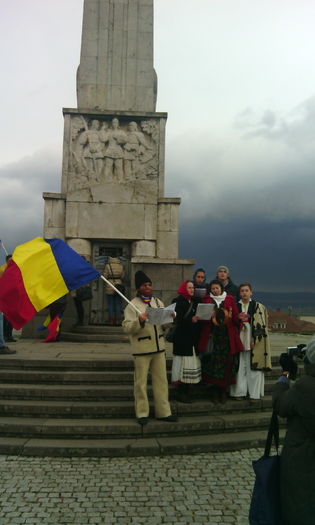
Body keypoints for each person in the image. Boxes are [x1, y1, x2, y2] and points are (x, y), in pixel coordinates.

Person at [122, 270, 177, 425]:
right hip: (141, 349)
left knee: (161, 382)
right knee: (141, 383)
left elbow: (164, 325)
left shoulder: (158, 302)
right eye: (145, 285)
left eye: (150, 284)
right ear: (139, 288)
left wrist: (170, 319)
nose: (148, 287)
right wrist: (139, 320)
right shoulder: (132, 305)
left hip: (159, 348)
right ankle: (142, 413)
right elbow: (126, 328)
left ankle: (164, 412)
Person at [272, 338, 315, 525]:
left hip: (304, 458)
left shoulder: (305, 386)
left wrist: (286, 375)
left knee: (300, 507)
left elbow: (281, 405)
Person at [197, 279, 243, 403]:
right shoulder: (206, 300)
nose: (215, 290)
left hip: (226, 338)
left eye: (217, 288)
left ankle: (223, 391)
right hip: (212, 337)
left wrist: (237, 318)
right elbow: (201, 319)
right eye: (212, 288)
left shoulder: (229, 299)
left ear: (221, 289)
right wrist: (209, 316)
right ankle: (214, 392)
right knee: (212, 363)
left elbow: (235, 318)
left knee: (226, 364)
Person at [230, 283, 271, 401]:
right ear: (239, 293)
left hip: (253, 340)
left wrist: (255, 338)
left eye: (246, 290)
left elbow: (262, 325)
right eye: (242, 291)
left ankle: (254, 393)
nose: (244, 293)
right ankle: (239, 392)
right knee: (240, 366)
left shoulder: (258, 306)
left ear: (251, 292)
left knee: (253, 368)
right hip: (239, 339)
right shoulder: (235, 306)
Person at [171, 280, 201, 403]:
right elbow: (177, 321)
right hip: (182, 340)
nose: (192, 290)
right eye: (189, 288)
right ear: (184, 288)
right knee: (183, 366)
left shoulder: (193, 302)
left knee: (189, 365)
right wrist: (191, 320)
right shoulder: (178, 302)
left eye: (193, 288)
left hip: (191, 340)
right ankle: (181, 392)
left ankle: (187, 391)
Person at [103, 257, 125, 325]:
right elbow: (123, 276)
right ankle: (118, 320)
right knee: (118, 303)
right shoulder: (121, 266)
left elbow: (105, 276)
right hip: (118, 285)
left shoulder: (107, 266)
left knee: (110, 303)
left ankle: (111, 320)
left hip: (110, 285)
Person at [3, 255, 16, 342]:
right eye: (9, 260)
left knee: (12, 317)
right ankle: (4, 335)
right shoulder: (2, 269)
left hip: (13, 297)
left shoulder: (15, 270)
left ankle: (9, 335)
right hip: (5, 297)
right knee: (5, 318)